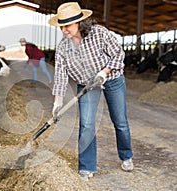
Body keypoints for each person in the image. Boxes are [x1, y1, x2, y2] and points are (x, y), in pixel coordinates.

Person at [48, 2, 134, 181]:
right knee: (86, 124)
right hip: (86, 84)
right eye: (61, 25)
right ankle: (87, 166)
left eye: (67, 25)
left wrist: (104, 72)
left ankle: (126, 156)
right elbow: (61, 75)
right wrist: (57, 102)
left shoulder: (99, 33)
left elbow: (119, 54)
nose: (64, 30)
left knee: (120, 121)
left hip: (112, 79)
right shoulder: (63, 47)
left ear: (79, 22)